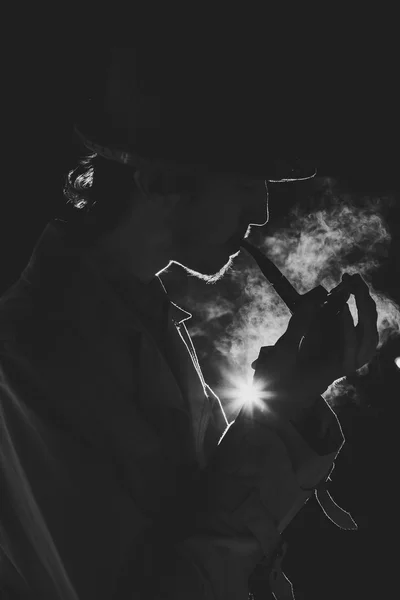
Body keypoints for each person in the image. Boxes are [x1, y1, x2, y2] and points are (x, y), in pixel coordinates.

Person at [0, 46, 378, 599]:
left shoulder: (141, 317)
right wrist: (284, 410)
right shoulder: (35, 355)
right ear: (157, 179)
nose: (262, 212)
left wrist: (292, 399)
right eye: (247, 179)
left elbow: (193, 514)